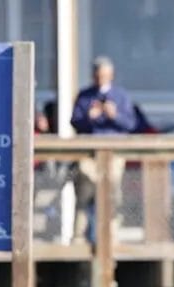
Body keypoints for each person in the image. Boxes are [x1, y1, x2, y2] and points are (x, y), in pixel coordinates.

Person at [70, 56, 136, 244]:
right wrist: (90, 117)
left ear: (111, 75)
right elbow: (74, 122)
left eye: (105, 76)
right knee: (84, 194)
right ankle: (78, 237)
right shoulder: (85, 96)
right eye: (98, 76)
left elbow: (131, 124)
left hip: (114, 154)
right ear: (93, 76)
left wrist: (114, 115)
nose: (101, 80)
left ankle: (111, 238)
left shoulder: (120, 96)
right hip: (88, 154)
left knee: (111, 196)